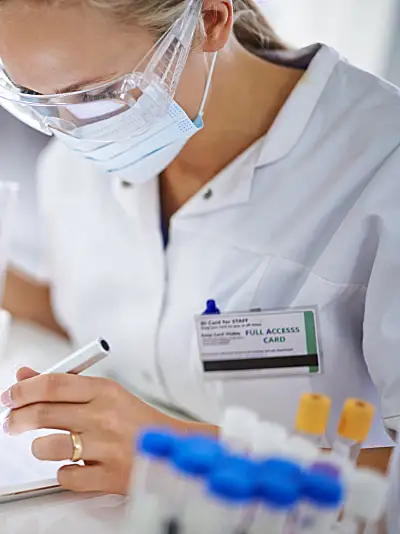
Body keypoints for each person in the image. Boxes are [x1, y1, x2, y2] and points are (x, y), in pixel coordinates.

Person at [0, 0, 398, 495]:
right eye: (33, 96)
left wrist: (182, 455)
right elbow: (128, 325)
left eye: (97, 93)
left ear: (209, 21)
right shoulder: (74, 163)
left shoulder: (384, 167)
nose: (70, 126)